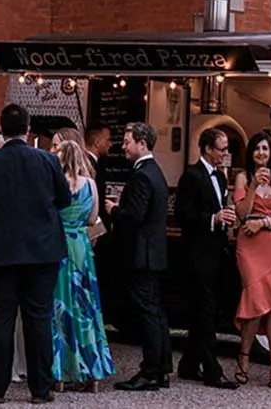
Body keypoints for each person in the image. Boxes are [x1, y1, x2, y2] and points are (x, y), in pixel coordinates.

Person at [0, 103, 72, 404]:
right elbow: (64, 200)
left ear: (2, 129)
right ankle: (40, 388)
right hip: (41, 251)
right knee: (38, 318)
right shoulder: (47, 160)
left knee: (1, 319)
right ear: (27, 130)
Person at [48, 129, 114, 393]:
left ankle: (61, 371)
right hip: (81, 247)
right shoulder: (90, 184)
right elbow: (92, 218)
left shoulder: (57, 184)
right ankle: (92, 370)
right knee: (86, 307)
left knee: (60, 306)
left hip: (60, 245)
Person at [175, 125, 238, 388]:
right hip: (197, 255)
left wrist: (226, 218)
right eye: (222, 149)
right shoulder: (191, 176)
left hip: (216, 252)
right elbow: (182, 215)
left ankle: (189, 364)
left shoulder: (221, 177)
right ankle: (212, 370)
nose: (225, 154)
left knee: (206, 311)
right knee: (205, 313)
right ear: (208, 149)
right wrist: (213, 218)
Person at [232, 131, 271, 389]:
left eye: (265, 149)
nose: (261, 153)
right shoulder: (243, 177)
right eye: (257, 149)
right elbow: (241, 213)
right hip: (250, 245)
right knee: (254, 300)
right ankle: (243, 360)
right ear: (251, 153)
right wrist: (253, 187)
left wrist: (265, 222)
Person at [111, 120, 171, 392]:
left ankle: (151, 371)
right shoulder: (155, 171)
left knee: (147, 313)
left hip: (141, 254)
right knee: (155, 311)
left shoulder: (143, 175)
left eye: (127, 142)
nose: (123, 146)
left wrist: (114, 210)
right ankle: (161, 368)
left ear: (142, 144)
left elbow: (133, 216)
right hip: (153, 253)